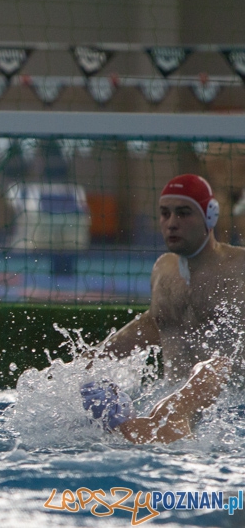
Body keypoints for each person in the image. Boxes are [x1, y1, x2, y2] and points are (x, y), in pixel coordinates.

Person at [82, 174, 245, 443]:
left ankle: (172, 416)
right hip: (168, 397)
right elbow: (157, 322)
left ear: (210, 216)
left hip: (231, 413)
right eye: (165, 214)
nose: (172, 224)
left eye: (183, 214)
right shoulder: (163, 270)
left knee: (214, 366)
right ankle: (165, 420)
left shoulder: (239, 269)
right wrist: (93, 358)